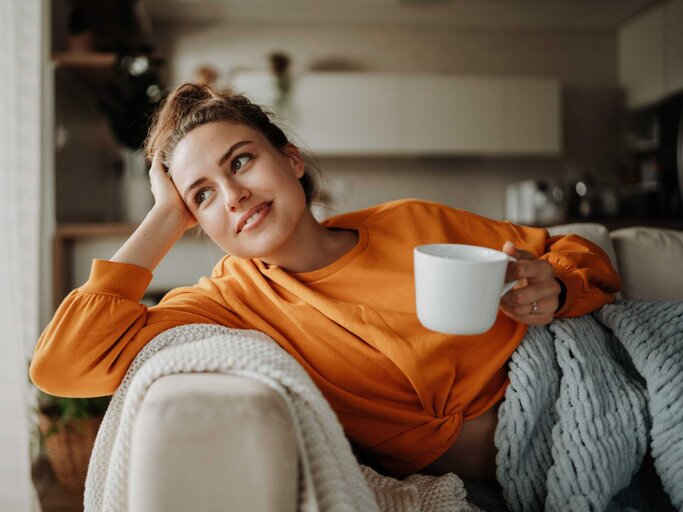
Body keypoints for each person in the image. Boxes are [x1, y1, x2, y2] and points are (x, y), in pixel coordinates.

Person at [29, 83, 621, 482]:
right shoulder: (228, 302)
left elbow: (578, 251)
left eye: (240, 161)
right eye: (202, 196)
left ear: (291, 161)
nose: (233, 195)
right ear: (194, 222)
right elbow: (62, 364)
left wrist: (559, 286)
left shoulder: (413, 222)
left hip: (576, 394)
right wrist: (161, 218)